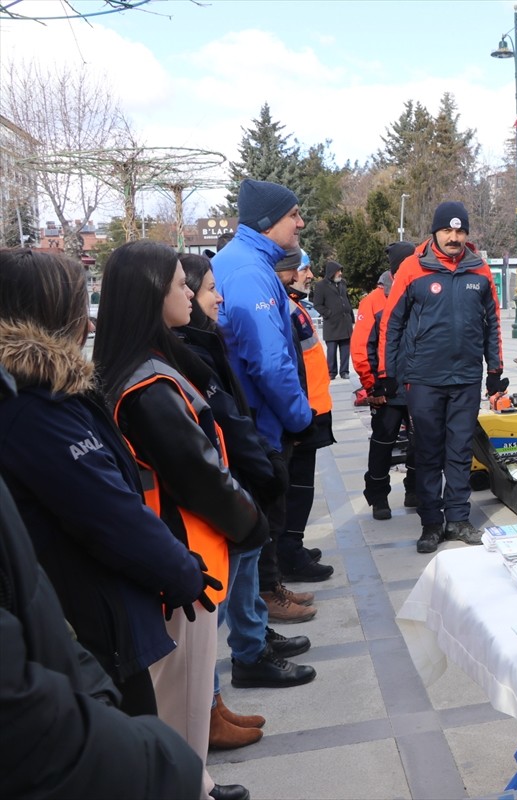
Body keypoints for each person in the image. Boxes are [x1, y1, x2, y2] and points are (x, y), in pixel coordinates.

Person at [94, 239, 270, 800]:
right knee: (181, 699)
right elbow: (200, 475)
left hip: (179, 558)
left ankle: (197, 779)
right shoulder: (148, 384)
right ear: (152, 295)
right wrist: (252, 523)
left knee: (186, 696)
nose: (191, 295)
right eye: (180, 285)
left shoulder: (147, 365)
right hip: (183, 561)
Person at [0, 248, 210, 717]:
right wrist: (180, 570)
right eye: (78, 310)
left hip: (83, 612)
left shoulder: (43, 393)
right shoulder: (37, 407)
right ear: (48, 314)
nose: (88, 326)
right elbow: (108, 512)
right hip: (85, 622)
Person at [0, 441, 205, 800]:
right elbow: (111, 511)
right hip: (84, 669)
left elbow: (33, 597)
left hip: (87, 665)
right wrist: (158, 762)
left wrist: (97, 695)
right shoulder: (36, 413)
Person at [176, 254, 312, 752]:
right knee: (227, 581)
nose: (215, 297)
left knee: (249, 564)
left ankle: (244, 658)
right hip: (225, 484)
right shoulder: (181, 352)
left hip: (241, 468)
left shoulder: (205, 339)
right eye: (205, 288)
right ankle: (238, 668)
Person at [210, 178, 319, 688]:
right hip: (259, 425)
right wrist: (299, 416)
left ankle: (255, 635)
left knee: (257, 537)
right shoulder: (250, 271)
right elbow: (269, 360)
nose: (300, 223)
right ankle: (250, 652)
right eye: (294, 214)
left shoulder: (246, 263)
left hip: (255, 421)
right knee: (254, 536)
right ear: (265, 221)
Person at [378, 201, 506, 554]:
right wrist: (387, 373)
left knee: (460, 451)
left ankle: (459, 519)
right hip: (423, 379)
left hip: (465, 377)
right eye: (447, 231)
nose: (454, 237)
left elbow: (492, 322)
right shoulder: (412, 268)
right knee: (428, 451)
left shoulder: (479, 270)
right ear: (435, 232)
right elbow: (392, 323)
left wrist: (494, 369)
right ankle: (432, 523)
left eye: (460, 231)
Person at [280, 249, 337, 584]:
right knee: (297, 487)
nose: (310, 274)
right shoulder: (286, 307)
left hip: (311, 408)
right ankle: (289, 553)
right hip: (302, 412)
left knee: (300, 486)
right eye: (303, 268)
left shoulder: (295, 306)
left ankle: (292, 545)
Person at [354, 241, 417, 520]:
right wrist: (371, 386)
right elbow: (361, 347)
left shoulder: (419, 291)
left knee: (421, 442)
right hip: (386, 388)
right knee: (383, 442)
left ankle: (414, 489)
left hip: (417, 386)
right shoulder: (373, 301)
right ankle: (378, 496)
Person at [311, 259, 353, 380]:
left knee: (345, 349)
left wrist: (350, 316)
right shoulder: (320, 286)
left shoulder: (342, 283)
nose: (340, 273)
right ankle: (331, 372)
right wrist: (329, 313)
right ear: (331, 272)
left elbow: (347, 299)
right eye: (338, 271)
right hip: (332, 324)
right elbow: (317, 304)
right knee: (332, 350)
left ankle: (344, 371)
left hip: (345, 322)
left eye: (340, 271)